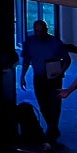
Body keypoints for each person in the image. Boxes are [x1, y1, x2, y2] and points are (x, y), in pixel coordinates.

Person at [20, 15, 69, 145]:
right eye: (37, 31)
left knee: (55, 105)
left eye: (41, 31)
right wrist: (22, 76)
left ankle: (52, 131)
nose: (39, 33)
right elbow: (26, 60)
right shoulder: (30, 42)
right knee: (43, 105)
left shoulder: (56, 43)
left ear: (46, 30)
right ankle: (53, 129)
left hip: (54, 79)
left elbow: (67, 60)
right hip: (39, 78)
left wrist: (60, 72)